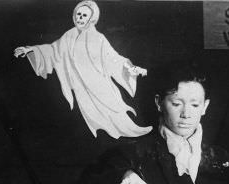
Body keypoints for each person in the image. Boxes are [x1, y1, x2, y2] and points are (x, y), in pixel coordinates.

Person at [13, 0, 151, 139]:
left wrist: (132, 68)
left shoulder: (98, 38)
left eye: (84, 15)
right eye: (78, 14)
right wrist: (30, 49)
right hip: (80, 85)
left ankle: (132, 130)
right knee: (90, 114)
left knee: (112, 109)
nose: (80, 18)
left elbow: (113, 58)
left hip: (98, 83)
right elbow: (54, 50)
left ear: (92, 19)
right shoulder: (69, 36)